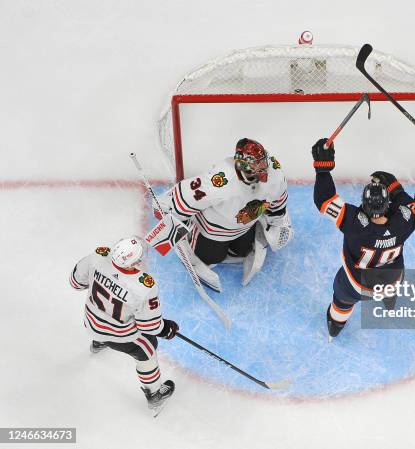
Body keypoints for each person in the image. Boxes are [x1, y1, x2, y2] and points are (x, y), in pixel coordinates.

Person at [311, 137, 415, 339]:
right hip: (392, 279)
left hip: (357, 285)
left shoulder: (355, 223)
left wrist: (323, 169)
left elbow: (324, 201)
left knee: (342, 301)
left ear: (364, 204)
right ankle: (389, 300)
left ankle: (335, 328)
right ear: (388, 204)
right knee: (392, 276)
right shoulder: (403, 221)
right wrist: (397, 190)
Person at [159, 138, 293, 291]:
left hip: (245, 226)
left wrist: (277, 218)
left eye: (263, 162)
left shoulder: (274, 172)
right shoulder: (221, 180)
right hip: (213, 232)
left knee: (242, 251)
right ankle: (194, 236)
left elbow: (278, 196)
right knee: (210, 258)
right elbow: (188, 196)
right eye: (258, 166)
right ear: (243, 166)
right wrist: (172, 210)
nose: (264, 170)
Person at [69, 237, 179, 415]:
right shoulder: (144, 287)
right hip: (117, 335)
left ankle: (98, 342)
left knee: (101, 324)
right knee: (148, 347)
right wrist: (167, 329)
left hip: (90, 321)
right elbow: (150, 326)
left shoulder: (97, 257)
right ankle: (154, 394)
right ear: (132, 262)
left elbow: (75, 282)